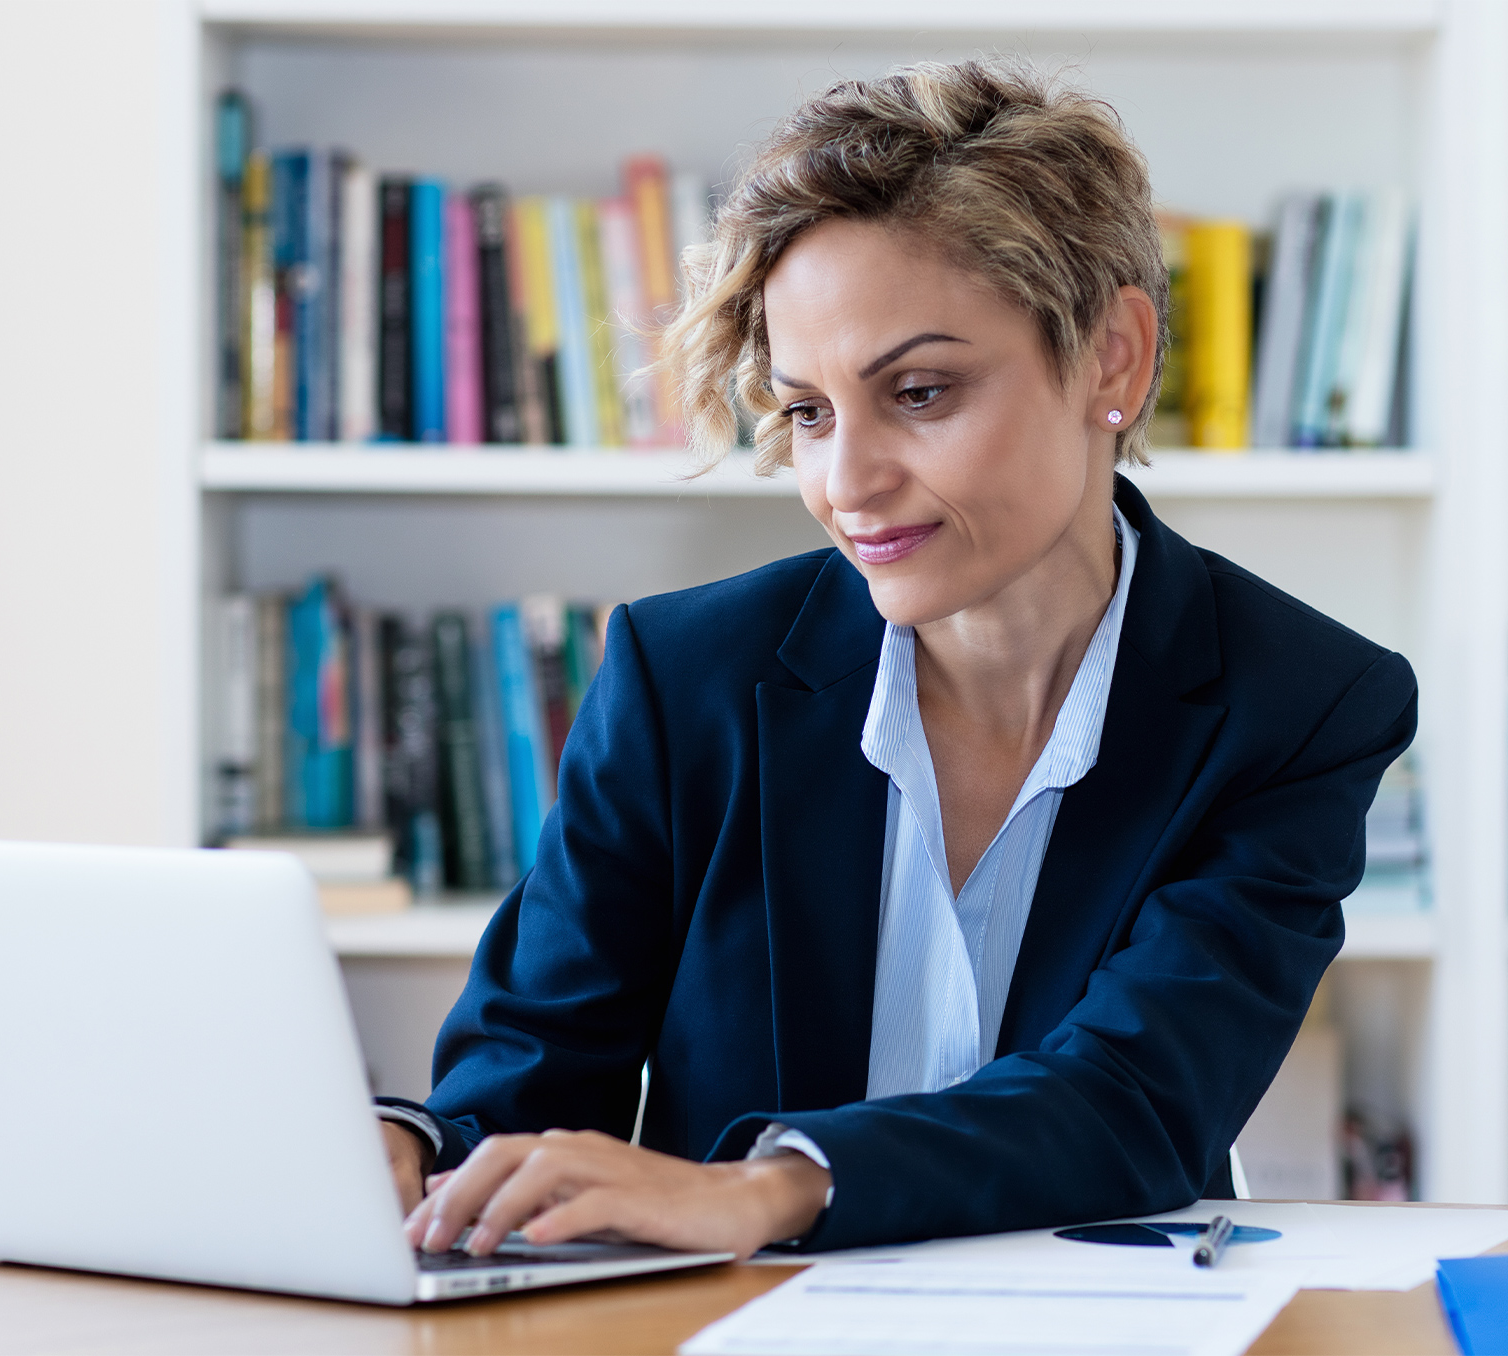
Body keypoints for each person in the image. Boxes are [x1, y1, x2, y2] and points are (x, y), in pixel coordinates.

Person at [374, 59, 1417, 1260]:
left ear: (1112, 361)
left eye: (918, 392)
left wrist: (772, 1188)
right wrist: (416, 1147)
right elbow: (524, 1085)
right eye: (807, 411)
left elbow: (1134, 1094)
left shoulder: (1300, 703)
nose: (843, 484)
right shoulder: (682, 677)